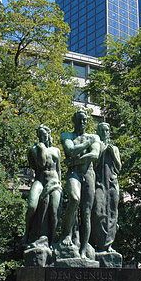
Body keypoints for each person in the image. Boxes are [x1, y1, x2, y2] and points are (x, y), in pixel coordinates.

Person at [60, 108, 101, 258]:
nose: (83, 122)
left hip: (88, 174)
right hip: (73, 173)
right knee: (74, 198)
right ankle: (66, 235)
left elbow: (95, 155)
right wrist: (86, 144)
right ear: (74, 120)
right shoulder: (67, 135)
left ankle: (83, 249)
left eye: (85, 120)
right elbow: (70, 150)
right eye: (80, 119)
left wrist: (75, 160)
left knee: (87, 212)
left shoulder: (94, 137)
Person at [24, 124, 62, 246]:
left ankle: (51, 240)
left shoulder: (56, 150)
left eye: (44, 134)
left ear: (48, 135)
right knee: (31, 206)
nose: (42, 137)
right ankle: (27, 233)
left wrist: (60, 184)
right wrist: (41, 149)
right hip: (40, 180)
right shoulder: (34, 149)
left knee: (54, 210)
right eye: (40, 135)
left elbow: (59, 169)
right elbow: (40, 164)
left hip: (54, 182)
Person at [91, 122, 121, 252]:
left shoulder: (114, 148)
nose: (104, 133)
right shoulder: (96, 147)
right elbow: (92, 164)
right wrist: (102, 151)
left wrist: (112, 153)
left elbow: (119, 167)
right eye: (101, 130)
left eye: (106, 130)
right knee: (98, 211)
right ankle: (98, 242)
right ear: (98, 132)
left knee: (112, 214)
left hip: (112, 183)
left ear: (109, 132)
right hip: (99, 183)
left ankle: (108, 245)